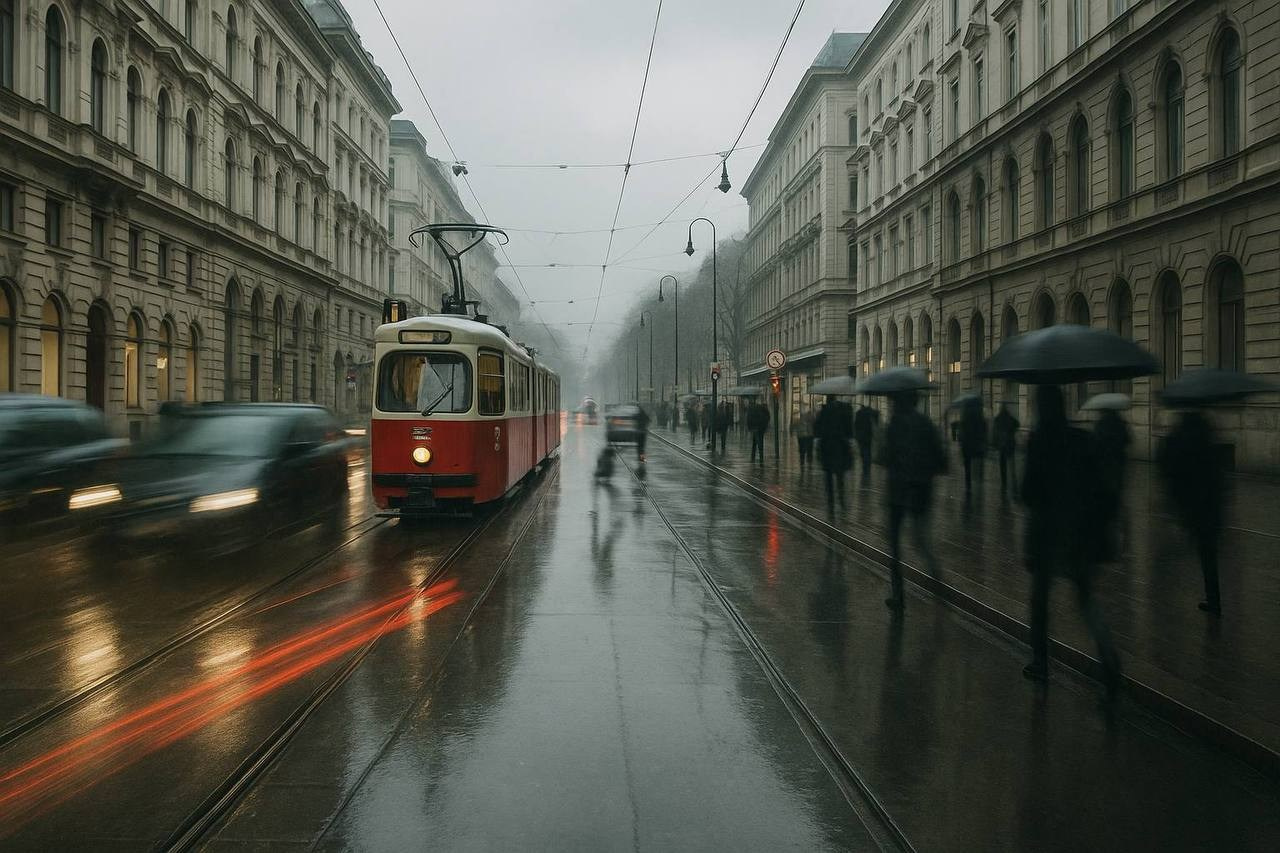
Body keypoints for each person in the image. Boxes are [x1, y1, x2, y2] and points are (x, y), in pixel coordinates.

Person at [1021, 385, 1121, 697]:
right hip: (1079, 533)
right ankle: (1109, 660)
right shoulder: (1082, 438)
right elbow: (1103, 489)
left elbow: (1026, 492)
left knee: (1040, 603)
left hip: (1048, 535)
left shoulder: (1038, 441)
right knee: (1086, 601)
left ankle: (1040, 662)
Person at [881, 389, 945, 610]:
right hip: (921, 490)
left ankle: (898, 596)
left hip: (898, 491)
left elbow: (884, 456)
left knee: (895, 545)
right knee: (921, 540)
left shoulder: (894, 425)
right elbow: (941, 459)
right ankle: (936, 577)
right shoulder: (926, 424)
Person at [1158, 410, 1225, 615]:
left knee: (1188, 552)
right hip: (1211, 509)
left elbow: (1172, 471)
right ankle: (1214, 601)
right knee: (1208, 558)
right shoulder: (1206, 435)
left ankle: (1210, 601)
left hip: (1194, 510)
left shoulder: (1181, 438)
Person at [1094, 407, 1132, 556]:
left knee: (1108, 494)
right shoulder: (1121, 423)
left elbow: (1096, 445)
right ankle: (1117, 517)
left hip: (1105, 466)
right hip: (1119, 465)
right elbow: (1128, 440)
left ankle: (1110, 522)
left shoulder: (1101, 424)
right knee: (1116, 493)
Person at [814, 395, 853, 515]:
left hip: (827, 449)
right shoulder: (844, 410)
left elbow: (817, 430)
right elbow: (849, 430)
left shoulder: (824, 412)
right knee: (840, 477)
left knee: (829, 478)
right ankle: (841, 501)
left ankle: (831, 504)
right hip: (840, 448)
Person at [958, 399, 989, 495]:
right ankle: (979, 483)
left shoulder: (965, 418)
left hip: (967, 446)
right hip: (978, 445)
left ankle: (968, 486)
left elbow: (961, 434)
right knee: (979, 465)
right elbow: (984, 432)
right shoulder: (980, 418)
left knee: (967, 467)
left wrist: (961, 443)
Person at [992, 403, 1020, 498]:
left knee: (1003, 464)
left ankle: (1004, 483)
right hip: (1010, 443)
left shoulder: (998, 418)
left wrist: (996, 442)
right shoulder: (1009, 417)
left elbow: (995, 430)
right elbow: (1017, 424)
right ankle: (1013, 480)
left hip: (1002, 444)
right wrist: (1011, 431)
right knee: (1011, 463)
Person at [854, 404, 877, 483]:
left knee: (863, 451)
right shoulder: (869, 413)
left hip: (861, 436)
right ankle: (867, 466)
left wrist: (856, 435)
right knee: (868, 451)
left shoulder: (858, 413)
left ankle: (865, 465)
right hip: (868, 436)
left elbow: (855, 424)